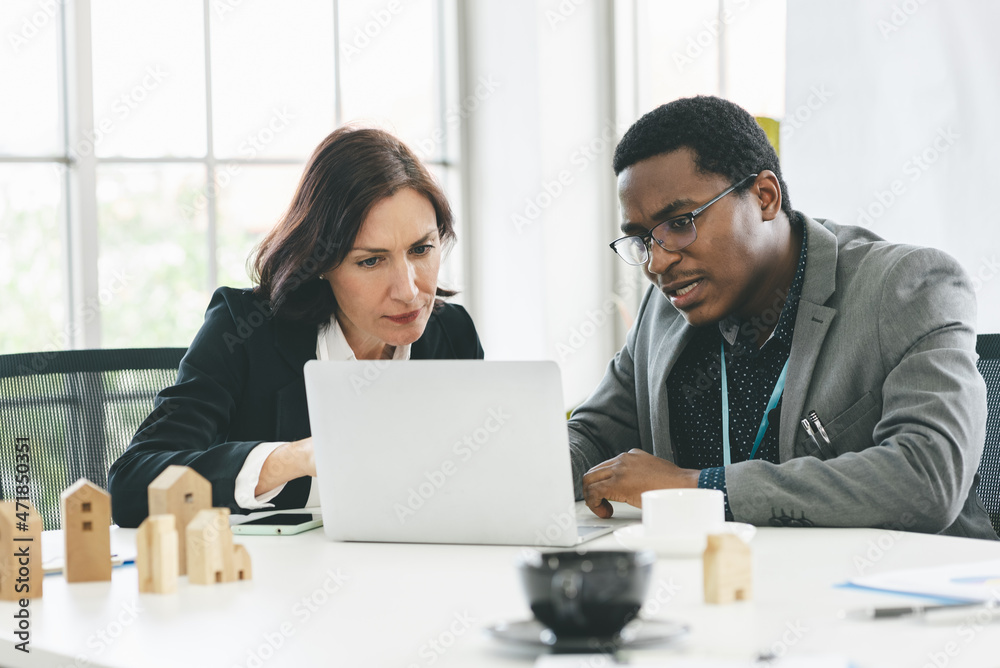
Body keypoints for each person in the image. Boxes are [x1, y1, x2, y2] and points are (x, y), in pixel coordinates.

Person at [570, 95, 996, 539]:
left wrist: (696, 488)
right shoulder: (666, 309)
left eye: (679, 222)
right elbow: (593, 434)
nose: (657, 264)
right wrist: (536, 469)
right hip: (729, 590)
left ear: (765, 197)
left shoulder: (906, 286)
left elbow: (927, 477)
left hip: (899, 591)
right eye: (642, 240)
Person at [108, 126, 484, 528]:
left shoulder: (453, 334)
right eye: (371, 261)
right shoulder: (244, 330)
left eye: (421, 249)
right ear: (321, 263)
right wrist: (295, 458)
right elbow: (132, 485)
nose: (409, 291)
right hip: (271, 583)